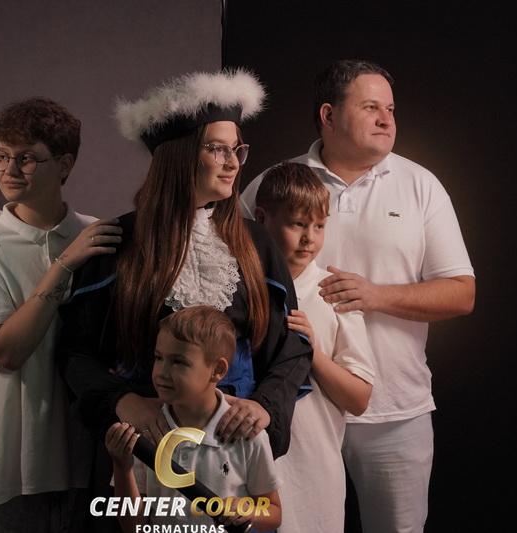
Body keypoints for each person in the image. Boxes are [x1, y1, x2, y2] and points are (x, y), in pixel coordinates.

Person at [57, 70, 311, 509]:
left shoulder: (257, 244)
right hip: (146, 447)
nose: (233, 162)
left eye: (237, 149)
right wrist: (124, 402)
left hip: (233, 451)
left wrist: (264, 407)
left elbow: (292, 346)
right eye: (217, 148)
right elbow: (74, 354)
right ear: (178, 156)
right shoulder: (119, 243)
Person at [241, 59, 476, 533]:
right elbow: (232, 279)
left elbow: (461, 294)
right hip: (294, 411)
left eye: (390, 109)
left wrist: (374, 295)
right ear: (328, 115)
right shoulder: (274, 184)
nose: (386, 119)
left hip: (394, 410)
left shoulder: (420, 186)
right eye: (371, 107)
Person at [0, 98, 120, 532]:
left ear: (64, 165)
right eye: (2, 156)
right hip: (5, 471)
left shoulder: (99, 236)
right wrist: (64, 265)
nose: (8, 170)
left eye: (26, 158)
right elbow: (7, 351)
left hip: (83, 464)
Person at [254, 161, 375, 533]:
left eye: (319, 226)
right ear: (262, 218)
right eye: (297, 224)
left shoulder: (333, 294)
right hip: (247, 467)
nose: (309, 238)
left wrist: (313, 354)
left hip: (315, 473)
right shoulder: (239, 286)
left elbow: (359, 398)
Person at [105, 306, 282, 532]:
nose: (161, 372)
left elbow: (275, 513)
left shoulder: (247, 435)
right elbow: (133, 526)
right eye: (158, 358)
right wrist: (122, 467)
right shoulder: (147, 432)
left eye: (178, 362)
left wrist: (248, 511)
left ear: (218, 369)